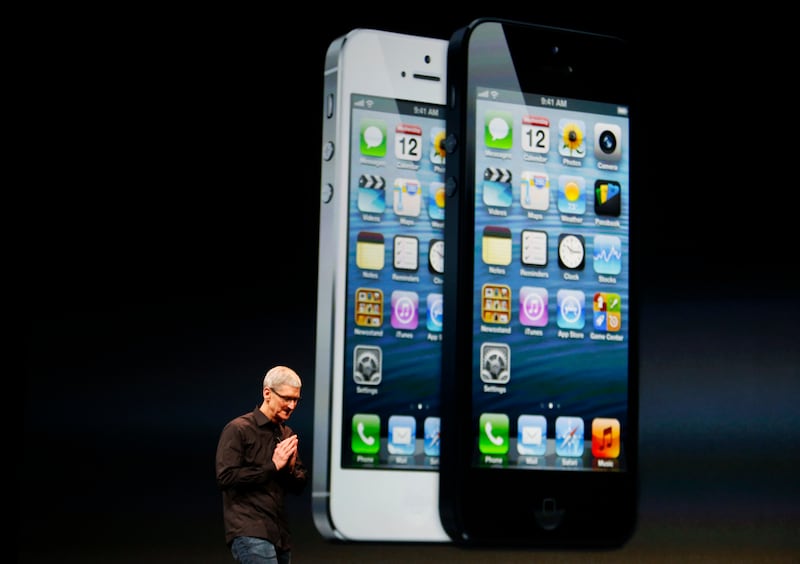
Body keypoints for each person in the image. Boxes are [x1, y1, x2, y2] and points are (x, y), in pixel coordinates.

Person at [215, 365, 309, 564]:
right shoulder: (238, 429)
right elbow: (225, 477)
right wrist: (273, 466)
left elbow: (299, 485)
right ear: (267, 393)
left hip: (280, 533)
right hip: (249, 529)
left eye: (296, 400)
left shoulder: (286, 434)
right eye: (286, 398)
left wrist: (290, 469)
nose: (292, 406)